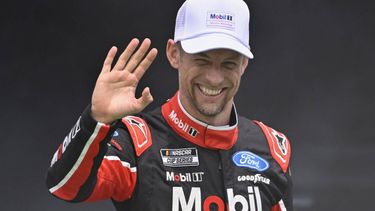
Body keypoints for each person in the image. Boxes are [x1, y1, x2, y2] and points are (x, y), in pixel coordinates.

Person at [46, 0, 293, 210]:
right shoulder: (137, 142)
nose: (214, 78)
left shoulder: (272, 149)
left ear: (243, 65)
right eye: (202, 60)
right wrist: (95, 120)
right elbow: (64, 187)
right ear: (174, 54)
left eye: (228, 64)